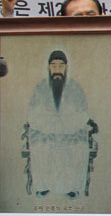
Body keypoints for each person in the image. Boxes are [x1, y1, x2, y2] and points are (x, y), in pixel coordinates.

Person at [23, 50, 98, 199]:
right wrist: (50, 124)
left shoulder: (75, 88)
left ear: (66, 68)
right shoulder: (40, 88)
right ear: (48, 68)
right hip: (45, 133)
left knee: (77, 148)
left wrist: (66, 123)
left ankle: (72, 187)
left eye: (61, 66)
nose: (57, 70)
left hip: (71, 132)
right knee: (40, 148)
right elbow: (33, 115)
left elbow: (82, 114)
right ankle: (43, 186)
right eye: (53, 66)